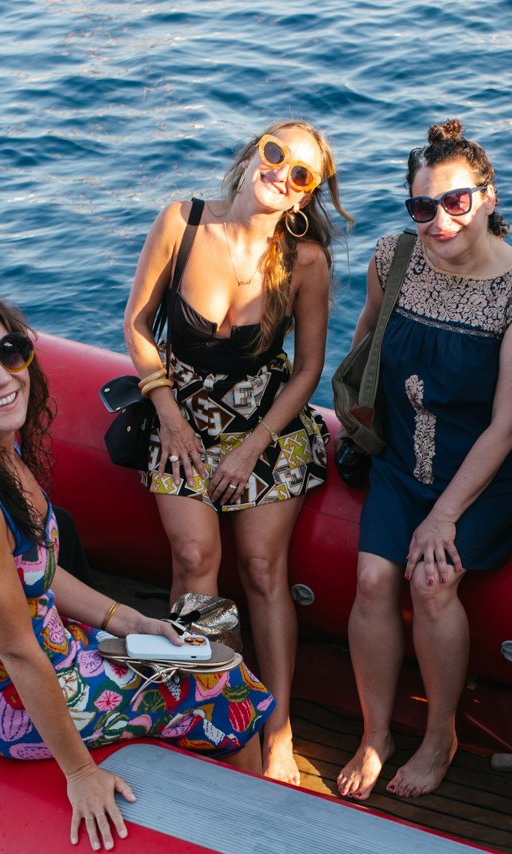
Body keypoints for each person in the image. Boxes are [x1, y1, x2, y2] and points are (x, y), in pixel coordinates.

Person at [0, 286, 274, 849]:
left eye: (9, 352)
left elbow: (36, 573)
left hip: (42, 649)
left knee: (203, 629)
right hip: (8, 698)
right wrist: (80, 773)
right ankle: (255, 836)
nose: (2, 377)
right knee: (224, 677)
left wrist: (127, 621)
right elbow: (17, 650)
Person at [334, 120, 512, 802]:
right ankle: (376, 733)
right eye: (422, 207)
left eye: (456, 202)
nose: (438, 221)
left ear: (487, 197)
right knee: (374, 580)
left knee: (432, 581)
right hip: (406, 453)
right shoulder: (391, 258)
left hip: (486, 469)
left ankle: (441, 735)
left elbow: (509, 422)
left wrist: (446, 516)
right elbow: (365, 344)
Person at [122, 121, 349, 785]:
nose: (280, 171)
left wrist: (252, 448)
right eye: (274, 153)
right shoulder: (182, 222)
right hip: (179, 417)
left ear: (306, 196)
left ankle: (275, 726)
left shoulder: (304, 262)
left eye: (299, 173)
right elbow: (136, 324)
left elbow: (308, 370)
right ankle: (219, 706)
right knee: (196, 558)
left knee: (259, 567)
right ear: (253, 153)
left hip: (265, 427)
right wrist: (166, 410)